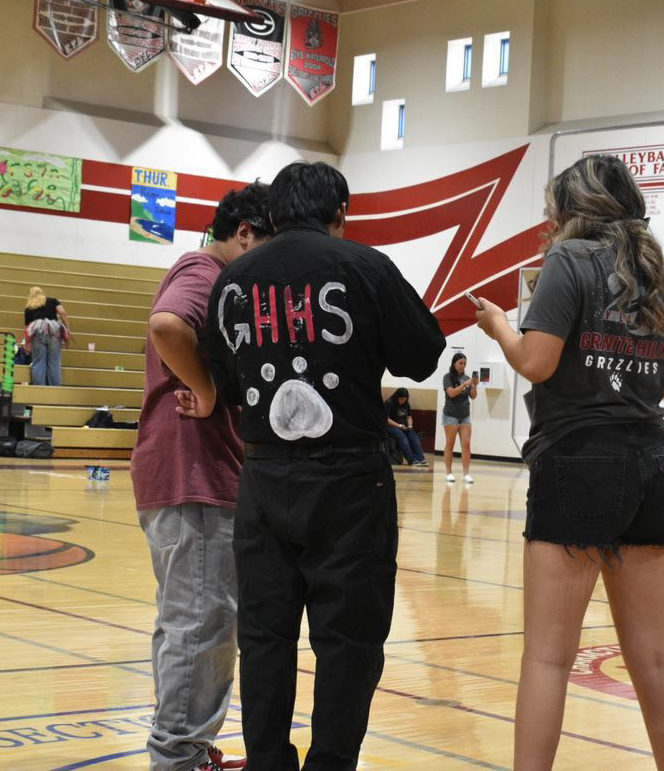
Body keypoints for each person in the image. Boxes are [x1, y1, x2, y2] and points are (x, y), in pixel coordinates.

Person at [203, 161, 446, 770]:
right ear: (340, 215)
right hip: (350, 482)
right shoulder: (365, 266)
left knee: (264, 638)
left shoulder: (235, 282)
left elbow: (226, 379)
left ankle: (267, 764)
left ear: (273, 216)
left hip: (262, 479)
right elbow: (423, 355)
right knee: (350, 641)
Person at [474, 154, 664, 770]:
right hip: (653, 463)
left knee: (547, 657)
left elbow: (537, 362)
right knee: (654, 658)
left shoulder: (569, 262)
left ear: (571, 211)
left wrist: (499, 327)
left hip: (577, 460)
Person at [131, 183, 273, 771]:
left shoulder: (214, 277)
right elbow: (167, 326)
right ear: (244, 233)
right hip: (194, 473)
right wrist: (211, 392)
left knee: (189, 621)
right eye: (268, 244)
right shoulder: (203, 270)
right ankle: (180, 760)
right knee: (201, 624)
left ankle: (187, 749)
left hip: (186, 473)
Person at [442, 352, 478, 483]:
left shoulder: (467, 377)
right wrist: (465, 384)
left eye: (465, 364)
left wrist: (474, 386)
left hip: (465, 415)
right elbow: (451, 393)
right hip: (450, 415)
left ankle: (466, 474)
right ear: (454, 363)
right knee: (450, 444)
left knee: (466, 444)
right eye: (460, 363)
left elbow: (473, 396)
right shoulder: (447, 377)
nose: (463, 366)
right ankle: (448, 472)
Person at [23, 286, 71, 385]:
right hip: (54, 333)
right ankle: (55, 390)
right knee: (54, 363)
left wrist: (27, 343)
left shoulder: (28, 307)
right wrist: (67, 328)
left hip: (38, 335)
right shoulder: (52, 300)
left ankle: (39, 391)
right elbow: (63, 312)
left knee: (38, 363)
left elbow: (28, 328)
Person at [385, 387, 427, 466]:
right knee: (401, 436)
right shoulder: (389, 403)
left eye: (404, 399)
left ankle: (421, 459)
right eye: (401, 399)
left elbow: (409, 417)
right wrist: (399, 426)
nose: (403, 401)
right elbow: (386, 419)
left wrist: (410, 425)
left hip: (403, 427)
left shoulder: (406, 404)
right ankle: (412, 460)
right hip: (391, 427)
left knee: (413, 437)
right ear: (397, 397)